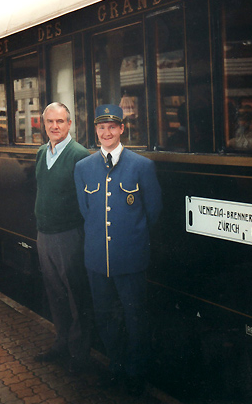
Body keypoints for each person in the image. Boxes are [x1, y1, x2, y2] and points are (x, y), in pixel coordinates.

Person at [74, 104, 162, 395]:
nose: (106, 132)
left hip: (131, 257)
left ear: (122, 129)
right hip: (97, 259)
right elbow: (86, 211)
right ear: (95, 131)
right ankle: (116, 367)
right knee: (105, 316)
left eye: (112, 127)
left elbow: (153, 212)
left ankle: (135, 373)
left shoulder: (141, 165)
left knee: (135, 317)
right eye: (101, 127)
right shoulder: (83, 168)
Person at [34, 102, 91, 373]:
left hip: (68, 235)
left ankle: (79, 354)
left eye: (60, 121)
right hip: (44, 234)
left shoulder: (79, 155)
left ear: (70, 124)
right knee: (55, 293)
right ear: (43, 124)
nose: (54, 126)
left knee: (76, 295)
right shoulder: (41, 152)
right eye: (50, 122)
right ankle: (61, 343)